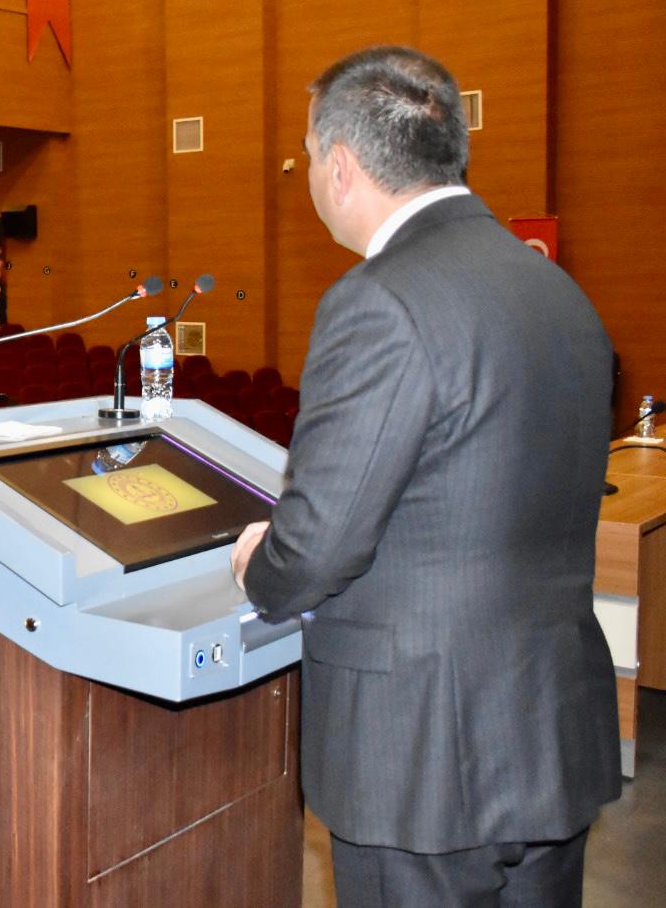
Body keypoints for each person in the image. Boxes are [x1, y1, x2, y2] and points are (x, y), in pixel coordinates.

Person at [228, 46, 620, 905]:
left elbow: (321, 541)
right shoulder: (558, 292)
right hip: (549, 730)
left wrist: (259, 563)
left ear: (340, 164)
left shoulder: (379, 298)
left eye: (305, 155)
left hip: (421, 758)